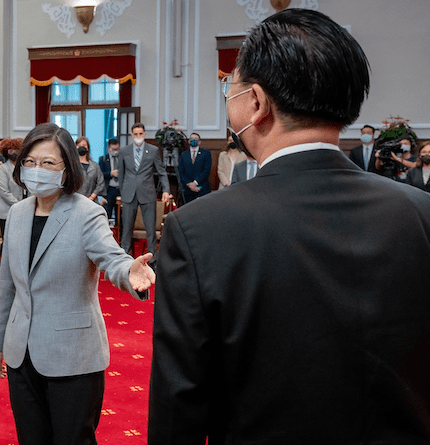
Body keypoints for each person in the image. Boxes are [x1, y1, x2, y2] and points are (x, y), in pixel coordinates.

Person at [149, 9, 430, 444]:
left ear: (256, 103)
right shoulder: (420, 212)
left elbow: (179, 407)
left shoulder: (199, 229)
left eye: (230, 87)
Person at [0, 123, 155, 445]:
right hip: (22, 353)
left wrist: (129, 272)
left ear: (67, 167)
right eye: (30, 162)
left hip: (73, 356)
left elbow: (112, 257)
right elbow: (8, 284)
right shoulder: (18, 213)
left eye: (48, 163)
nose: (37, 170)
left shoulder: (86, 214)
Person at [117, 122, 172, 260]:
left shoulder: (152, 150)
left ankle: (152, 260)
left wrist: (166, 190)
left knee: (150, 230)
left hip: (147, 193)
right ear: (131, 135)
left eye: (140, 134)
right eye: (135, 134)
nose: (138, 136)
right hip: (129, 194)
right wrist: (123, 192)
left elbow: (161, 172)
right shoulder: (124, 151)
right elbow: (121, 175)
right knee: (127, 230)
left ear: (145, 134)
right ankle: (126, 259)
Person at [0, 137, 25, 235]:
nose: (13, 152)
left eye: (16, 149)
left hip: (23, 211)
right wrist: (20, 205)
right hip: (6, 212)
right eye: (10, 150)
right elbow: (4, 192)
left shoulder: (23, 168)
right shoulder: (2, 169)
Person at [177, 132, 212, 202]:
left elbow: (206, 170)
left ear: (199, 142)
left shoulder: (206, 154)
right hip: (187, 190)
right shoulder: (183, 154)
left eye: (195, 139)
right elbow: (180, 172)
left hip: (202, 188)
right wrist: (190, 184)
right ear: (189, 141)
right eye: (191, 139)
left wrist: (195, 183)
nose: (193, 140)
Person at [75, 136, 106, 202]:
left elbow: (100, 183)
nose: (81, 147)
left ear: (88, 148)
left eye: (84, 145)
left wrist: (91, 197)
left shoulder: (95, 166)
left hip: (92, 201)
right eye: (79, 145)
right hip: (76, 201)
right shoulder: (73, 166)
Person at [98, 138, 121, 221]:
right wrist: (111, 173)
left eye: (117, 149)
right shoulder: (103, 159)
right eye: (113, 149)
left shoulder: (122, 158)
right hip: (109, 190)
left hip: (120, 189)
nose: (115, 151)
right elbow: (100, 174)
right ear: (109, 148)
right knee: (107, 213)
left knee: (120, 215)